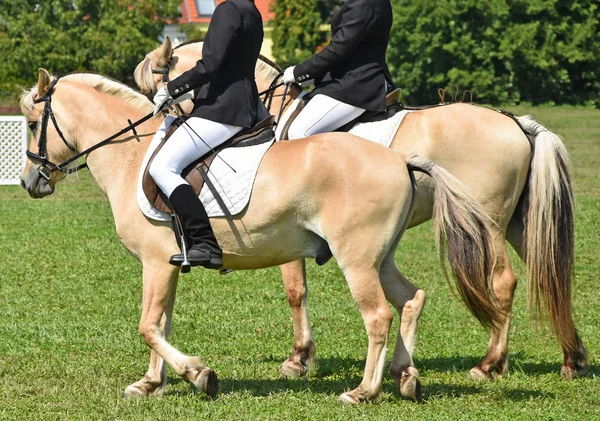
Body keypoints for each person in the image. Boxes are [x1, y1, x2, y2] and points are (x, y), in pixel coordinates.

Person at [150, 0, 264, 269]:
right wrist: (193, 93)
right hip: (245, 105)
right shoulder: (252, 10)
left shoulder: (228, 9)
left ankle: (204, 243)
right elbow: (230, 67)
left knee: (163, 167)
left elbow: (210, 64)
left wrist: (172, 88)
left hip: (224, 110)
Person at [282, 0, 393, 139]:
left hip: (356, 84)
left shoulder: (362, 3)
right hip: (358, 79)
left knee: (298, 132)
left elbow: (338, 49)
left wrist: (299, 72)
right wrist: (313, 75)